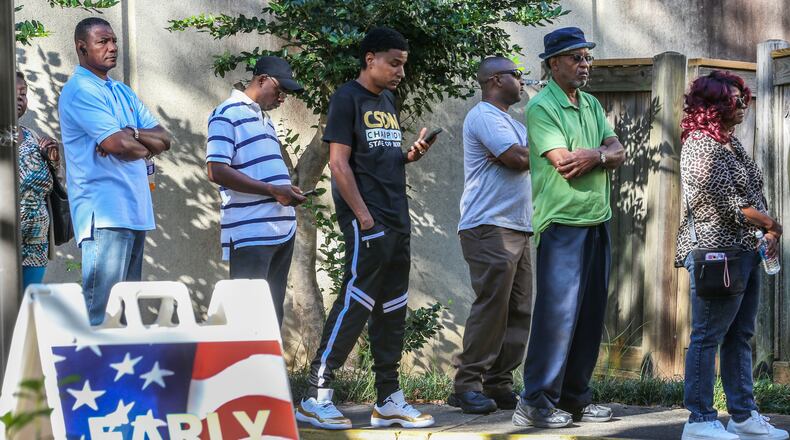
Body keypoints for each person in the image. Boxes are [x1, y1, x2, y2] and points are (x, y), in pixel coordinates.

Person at [296, 27, 436, 430]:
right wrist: (365, 219)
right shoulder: (346, 98)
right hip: (369, 222)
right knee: (356, 300)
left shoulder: (388, 100)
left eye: (403, 65)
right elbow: (339, 164)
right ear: (370, 58)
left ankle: (388, 399)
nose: (400, 73)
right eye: (394, 63)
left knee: (392, 305)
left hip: (397, 217)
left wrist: (409, 155)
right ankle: (316, 396)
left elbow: (380, 159)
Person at [513, 27, 625, 428]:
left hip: (597, 219)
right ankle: (534, 404)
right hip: (561, 224)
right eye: (576, 58)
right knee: (557, 315)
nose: (585, 65)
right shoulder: (542, 107)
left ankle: (575, 398)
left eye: (586, 57)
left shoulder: (592, 104)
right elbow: (564, 163)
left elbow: (617, 150)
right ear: (554, 63)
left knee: (590, 314)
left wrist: (595, 154)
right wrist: (602, 155)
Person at [676, 71, 788, 440]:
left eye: (745, 99)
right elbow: (726, 204)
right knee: (707, 336)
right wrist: (771, 223)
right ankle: (700, 420)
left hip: (744, 250)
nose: (744, 106)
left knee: (740, 336)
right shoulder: (699, 145)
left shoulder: (729, 143)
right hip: (716, 254)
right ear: (714, 103)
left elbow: (751, 194)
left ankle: (743, 416)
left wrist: (765, 233)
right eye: (737, 99)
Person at [58, 17, 171, 325]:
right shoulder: (80, 89)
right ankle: (91, 375)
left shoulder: (121, 91)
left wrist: (131, 133)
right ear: (82, 48)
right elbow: (119, 144)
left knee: (125, 316)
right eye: (102, 42)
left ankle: (117, 374)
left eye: (114, 41)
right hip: (105, 214)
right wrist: (133, 141)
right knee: (102, 313)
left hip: (134, 211)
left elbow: (164, 139)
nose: (113, 48)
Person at [448, 56, 533, 414]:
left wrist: (534, 154)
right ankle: (467, 384)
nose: (523, 81)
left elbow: (524, 157)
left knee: (521, 308)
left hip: (520, 226)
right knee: (492, 306)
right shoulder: (483, 116)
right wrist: (545, 153)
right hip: (489, 227)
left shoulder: (511, 122)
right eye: (517, 75)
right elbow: (517, 159)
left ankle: (498, 383)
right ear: (497, 80)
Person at [206, 56, 306, 326]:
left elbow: (258, 170)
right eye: (279, 90)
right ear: (261, 80)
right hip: (251, 231)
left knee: (272, 315)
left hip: (281, 229)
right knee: (246, 315)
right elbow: (216, 170)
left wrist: (284, 189)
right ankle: (242, 368)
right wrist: (272, 190)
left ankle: (269, 368)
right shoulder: (227, 113)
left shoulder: (264, 119)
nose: (282, 98)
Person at [16, 71, 59, 292]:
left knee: (28, 301)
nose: (19, 98)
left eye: (23, 93)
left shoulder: (33, 136)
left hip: (36, 241)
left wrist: (53, 160)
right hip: (6, 237)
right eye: (12, 92)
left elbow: (52, 184)